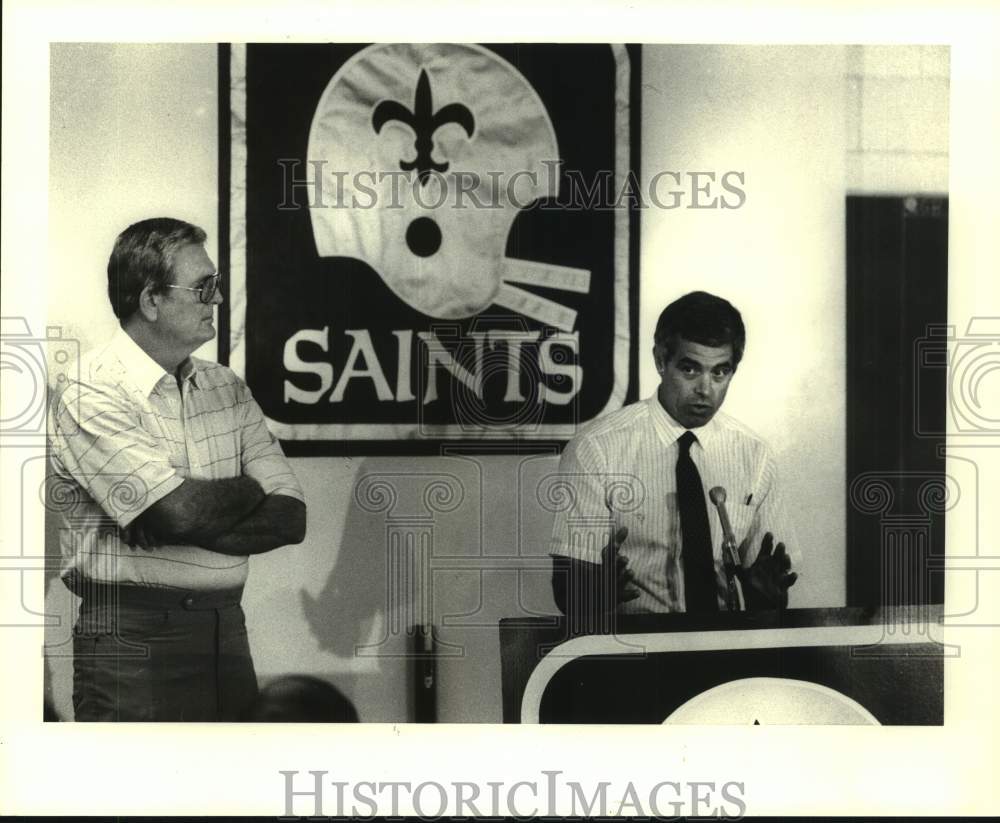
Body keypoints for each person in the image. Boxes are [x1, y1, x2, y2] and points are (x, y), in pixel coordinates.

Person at [48, 217, 307, 721]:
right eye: (204, 286)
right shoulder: (90, 389)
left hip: (226, 633)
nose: (217, 299)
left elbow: (291, 519)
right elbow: (177, 513)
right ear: (151, 300)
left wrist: (171, 514)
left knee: (229, 799)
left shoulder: (226, 387)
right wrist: (244, 492)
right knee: (142, 800)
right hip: (132, 644)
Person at [549, 291, 798, 625]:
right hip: (631, 656)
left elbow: (768, 590)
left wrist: (765, 600)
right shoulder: (596, 450)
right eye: (690, 369)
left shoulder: (755, 456)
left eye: (720, 372)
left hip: (727, 652)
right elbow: (567, 593)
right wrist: (595, 593)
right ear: (660, 360)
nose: (705, 390)